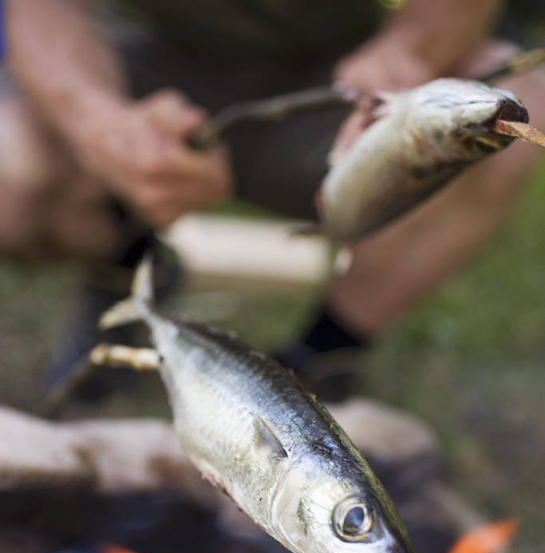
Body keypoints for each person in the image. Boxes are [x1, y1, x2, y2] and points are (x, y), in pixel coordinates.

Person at [4, 0, 545, 396]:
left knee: (514, 107)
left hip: (333, 81)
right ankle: (125, 272)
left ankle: (317, 363)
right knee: (10, 168)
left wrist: (405, 52)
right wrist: (100, 124)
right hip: (146, 59)